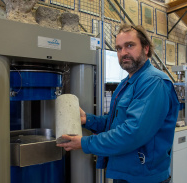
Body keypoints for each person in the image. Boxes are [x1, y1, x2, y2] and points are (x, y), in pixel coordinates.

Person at [57, 24, 179, 183]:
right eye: (119, 48)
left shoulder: (153, 82)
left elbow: (132, 133)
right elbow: (114, 122)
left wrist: (85, 143)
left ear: (146, 48)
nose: (123, 53)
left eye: (130, 45)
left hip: (144, 177)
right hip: (125, 173)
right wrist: (87, 119)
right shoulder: (126, 83)